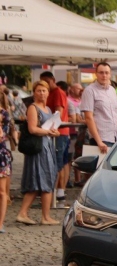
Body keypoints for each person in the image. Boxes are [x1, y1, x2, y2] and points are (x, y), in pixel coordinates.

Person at [16, 81, 60, 226]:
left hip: (47, 146)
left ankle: (39, 215)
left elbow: (51, 127)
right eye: (39, 90)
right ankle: (38, 216)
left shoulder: (48, 108)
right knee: (39, 179)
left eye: (44, 90)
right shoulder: (33, 108)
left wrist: (55, 132)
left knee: (47, 178)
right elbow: (32, 129)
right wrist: (48, 132)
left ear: (48, 92)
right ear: (34, 92)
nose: (42, 93)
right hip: (38, 148)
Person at [42, 73, 71, 208]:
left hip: (58, 132)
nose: (46, 84)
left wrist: (50, 127)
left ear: (53, 80)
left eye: (47, 82)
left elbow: (58, 113)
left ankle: (55, 194)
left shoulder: (58, 92)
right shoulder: (52, 92)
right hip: (59, 132)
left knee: (57, 163)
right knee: (62, 162)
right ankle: (60, 193)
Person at [80, 62, 117, 154]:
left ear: (110, 74)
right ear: (96, 74)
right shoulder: (90, 90)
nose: (104, 75)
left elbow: (115, 115)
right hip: (101, 139)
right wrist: (99, 141)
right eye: (101, 72)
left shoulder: (112, 90)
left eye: (106, 73)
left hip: (115, 138)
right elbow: (88, 117)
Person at [0, 91, 14, 232]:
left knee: (2, 191)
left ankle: (0, 223)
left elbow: (1, 136)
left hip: (1, 156)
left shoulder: (4, 114)